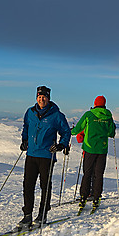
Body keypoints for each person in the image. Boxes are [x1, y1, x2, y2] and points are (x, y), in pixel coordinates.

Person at [18, 85, 71, 228]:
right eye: (39, 97)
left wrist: (61, 145)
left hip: (47, 155)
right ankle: (27, 215)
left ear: (48, 98)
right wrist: (24, 141)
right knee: (27, 185)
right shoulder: (30, 112)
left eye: (44, 97)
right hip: (31, 154)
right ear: (36, 98)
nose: (41, 99)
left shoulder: (56, 115)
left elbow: (66, 132)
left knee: (45, 186)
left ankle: (42, 214)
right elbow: (26, 127)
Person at [71, 96, 116, 214]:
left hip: (89, 149)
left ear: (95, 104)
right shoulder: (108, 116)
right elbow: (111, 133)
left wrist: (70, 131)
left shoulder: (89, 115)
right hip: (102, 150)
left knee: (87, 173)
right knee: (98, 174)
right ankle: (97, 197)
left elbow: (78, 129)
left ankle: (83, 197)